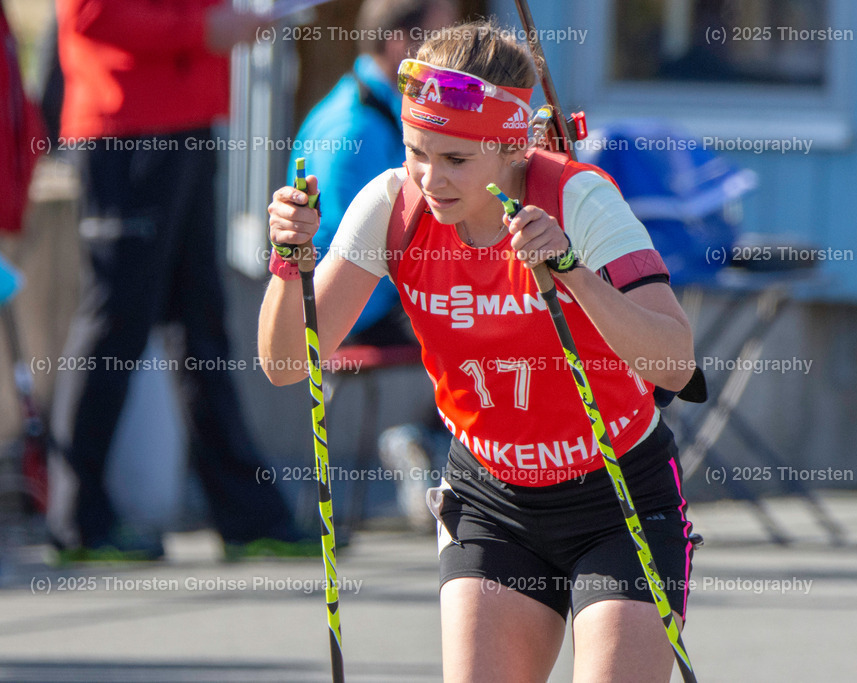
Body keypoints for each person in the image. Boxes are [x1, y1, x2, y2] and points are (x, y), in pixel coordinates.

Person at [261, 20, 698, 682]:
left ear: (512, 148)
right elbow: (286, 363)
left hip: (617, 496)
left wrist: (575, 275)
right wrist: (288, 261)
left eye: (457, 160)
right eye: (416, 150)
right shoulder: (392, 206)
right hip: (493, 501)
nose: (431, 178)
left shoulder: (577, 197)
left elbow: (675, 361)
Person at [49, 0, 312, 561]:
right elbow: (91, 16)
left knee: (200, 325)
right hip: (128, 130)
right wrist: (205, 28)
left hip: (184, 123)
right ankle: (78, 520)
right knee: (114, 323)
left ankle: (246, 514)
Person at [288, 0, 456, 531]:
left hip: (372, 291)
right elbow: (345, 257)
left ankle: (436, 441)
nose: (456, 65)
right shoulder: (354, 128)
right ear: (401, 46)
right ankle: (440, 445)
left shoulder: (369, 109)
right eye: (442, 42)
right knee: (489, 310)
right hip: (356, 305)